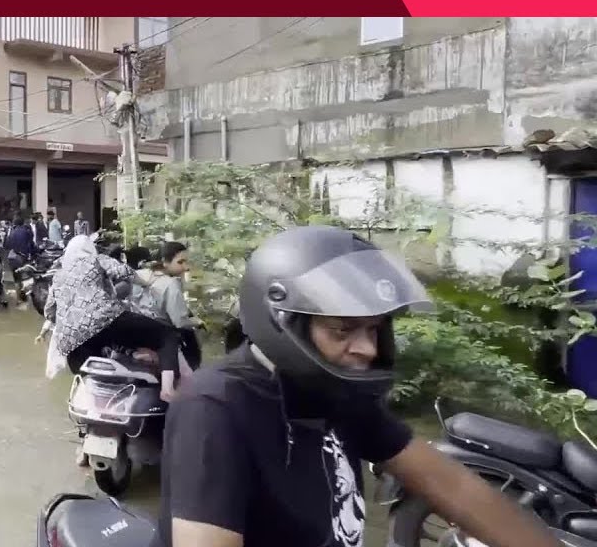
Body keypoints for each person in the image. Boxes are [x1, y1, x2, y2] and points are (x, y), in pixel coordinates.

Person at [152, 225, 562, 547]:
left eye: (375, 329)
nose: (365, 348)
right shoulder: (215, 407)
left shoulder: (334, 390)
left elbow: (453, 485)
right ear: (284, 324)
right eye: (342, 330)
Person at [37, 234, 182, 401]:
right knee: (167, 335)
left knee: (94, 384)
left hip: (71, 344)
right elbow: (124, 271)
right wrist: (146, 283)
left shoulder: (59, 275)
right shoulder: (96, 259)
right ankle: (168, 390)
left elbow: (49, 311)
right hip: (103, 320)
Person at [138, 241, 203, 370]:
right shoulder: (171, 284)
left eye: (186, 262)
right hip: (162, 339)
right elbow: (180, 321)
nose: (185, 267)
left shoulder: (141, 275)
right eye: (180, 262)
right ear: (165, 262)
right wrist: (197, 322)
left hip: (138, 335)